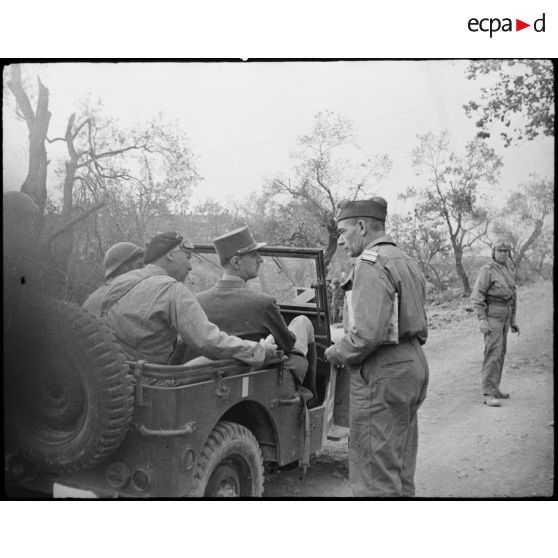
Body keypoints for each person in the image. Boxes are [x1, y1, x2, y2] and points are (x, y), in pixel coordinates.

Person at [324, 197, 429, 497]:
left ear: (361, 226)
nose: (341, 241)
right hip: (412, 363)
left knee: (374, 476)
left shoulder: (370, 264)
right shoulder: (405, 260)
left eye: (343, 232)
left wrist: (336, 352)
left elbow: (367, 336)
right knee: (399, 466)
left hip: (383, 370)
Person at [101, 231, 277, 367]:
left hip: (117, 378)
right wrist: (258, 350)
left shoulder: (119, 283)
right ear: (170, 255)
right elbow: (209, 341)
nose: (190, 266)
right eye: (187, 257)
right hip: (155, 383)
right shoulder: (172, 289)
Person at [196, 226, 315, 396]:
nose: (260, 259)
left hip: (214, 378)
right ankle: (308, 395)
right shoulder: (263, 303)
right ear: (236, 262)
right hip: (261, 376)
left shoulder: (197, 301)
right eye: (254, 255)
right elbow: (287, 345)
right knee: (303, 322)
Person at [470, 239, 520, 407]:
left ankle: (495, 388)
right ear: (493, 252)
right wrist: (482, 319)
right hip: (493, 316)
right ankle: (489, 394)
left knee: (501, 353)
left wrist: (513, 320)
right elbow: (477, 297)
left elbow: (513, 296)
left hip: (505, 316)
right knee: (493, 354)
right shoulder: (487, 271)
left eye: (506, 251)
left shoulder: (507, 269)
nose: (503, 253)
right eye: (500, 250)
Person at [83, 242, 144, 317]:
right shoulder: (100, 299)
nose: (144, 269)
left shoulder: (127, 293)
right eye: (139, 265)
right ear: (124, 268)